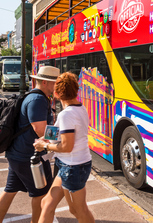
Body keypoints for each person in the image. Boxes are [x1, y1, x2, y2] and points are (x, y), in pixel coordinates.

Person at [0, 66, 60, 223]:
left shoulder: (34, 97)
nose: (56, 86)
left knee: (10, 190)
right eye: (54, 82)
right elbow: (40, 130)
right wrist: (61, 138)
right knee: (41, 193)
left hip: (18, 154)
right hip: (29, 157)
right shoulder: (38, 100)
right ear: (45, 82)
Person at [33, 72, 95, 223]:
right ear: (76, 90)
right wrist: (45, 138)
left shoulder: (66, 114)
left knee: (78, 210)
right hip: (71, 165)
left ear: (56, 93)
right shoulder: (80, 108)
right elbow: (61, 131)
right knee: (46, 203)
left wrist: (45, 146)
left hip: (73, 167)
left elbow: (67, 146)